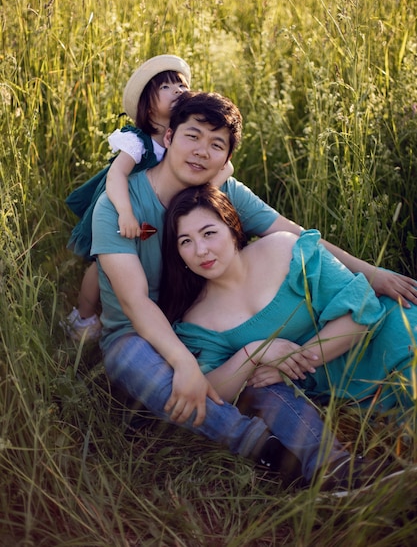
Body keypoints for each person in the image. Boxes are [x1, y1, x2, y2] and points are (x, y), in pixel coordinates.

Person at [90, 90, 407, 492]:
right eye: (193, 136)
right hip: (138, 331)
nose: (202, 152)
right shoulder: (116, 206)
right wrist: (184, 364)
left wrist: (370, 273)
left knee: (259, 362)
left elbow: (295, 235)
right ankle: (267, 451)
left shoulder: (223, 195)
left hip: (212, 323)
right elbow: (135, 303)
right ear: (168, 138)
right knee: (140, 362)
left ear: (227, 158)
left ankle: (338, 468)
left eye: (216, 144)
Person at [159, 183, 417, 422]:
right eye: (186, 242)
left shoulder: (284, 249)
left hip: (391, 336)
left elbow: (361, 312)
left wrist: (293, 362)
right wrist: (253, 353)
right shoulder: (198, 319)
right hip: (340, 390)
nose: (200, 250)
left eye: (209, 233)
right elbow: (211, 391)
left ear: (232, 227)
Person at [62, 55, 233, 341]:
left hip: (159, 207)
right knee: (100, 262)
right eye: (166, 87)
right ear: (149, 108)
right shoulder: (138, 140)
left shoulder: (185, 138)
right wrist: (124, 212)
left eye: (181, 84)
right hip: (121, 202)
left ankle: (142, 307)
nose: (177, 90)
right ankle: (83, 316)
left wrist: (201, 195)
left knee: (145, 261)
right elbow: (116, 177)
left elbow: (226, 166)